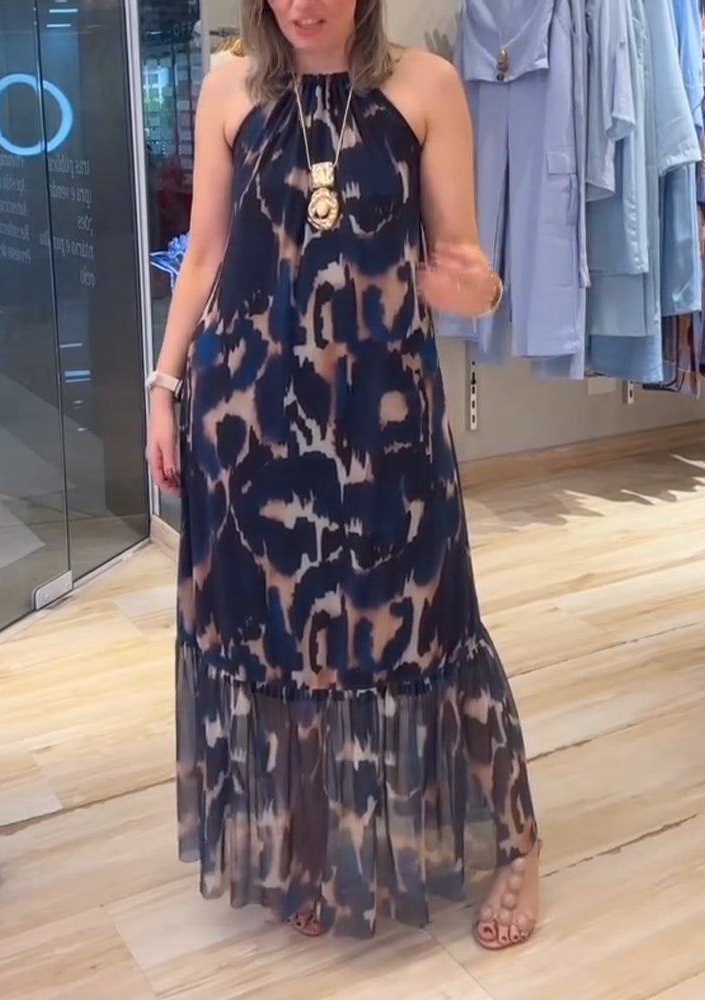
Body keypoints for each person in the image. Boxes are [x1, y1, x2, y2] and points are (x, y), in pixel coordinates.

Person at [146, 0, 541, 951]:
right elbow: (204, 255)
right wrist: (164, 384)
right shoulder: (228, 88)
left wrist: (476, 288)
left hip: (383, 425)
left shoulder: (425, 86)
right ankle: (318, 848)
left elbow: (468, 262)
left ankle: (519, 844)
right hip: (248, 420)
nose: (302, 4)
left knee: (432, 627)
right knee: (284, 640)